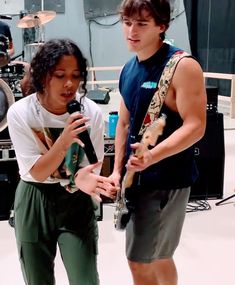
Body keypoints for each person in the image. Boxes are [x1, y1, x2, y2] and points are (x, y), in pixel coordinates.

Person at [110, 1, 207, 285]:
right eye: (127, 22)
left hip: (166, 180)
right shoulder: (129, 68)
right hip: (136, 179)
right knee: (160, 256)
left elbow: (196, 125)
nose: (131, 30)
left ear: (161, 26)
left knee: (140, 261)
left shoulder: (181, 66)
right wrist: (116, 171)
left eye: (142, 24)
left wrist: (154, 155)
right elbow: (125, 124)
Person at [7, 38, 116, 285]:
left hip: (76, 199)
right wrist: (63, 141)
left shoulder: (90, 112)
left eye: (76, 75)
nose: (70, 84)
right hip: (35, 197)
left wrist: (89, 180)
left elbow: (89, 165)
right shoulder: (21, 112)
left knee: (85, 278)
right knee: (37, 279)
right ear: (43, 76)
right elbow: (36, 172)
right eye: (59, 75)